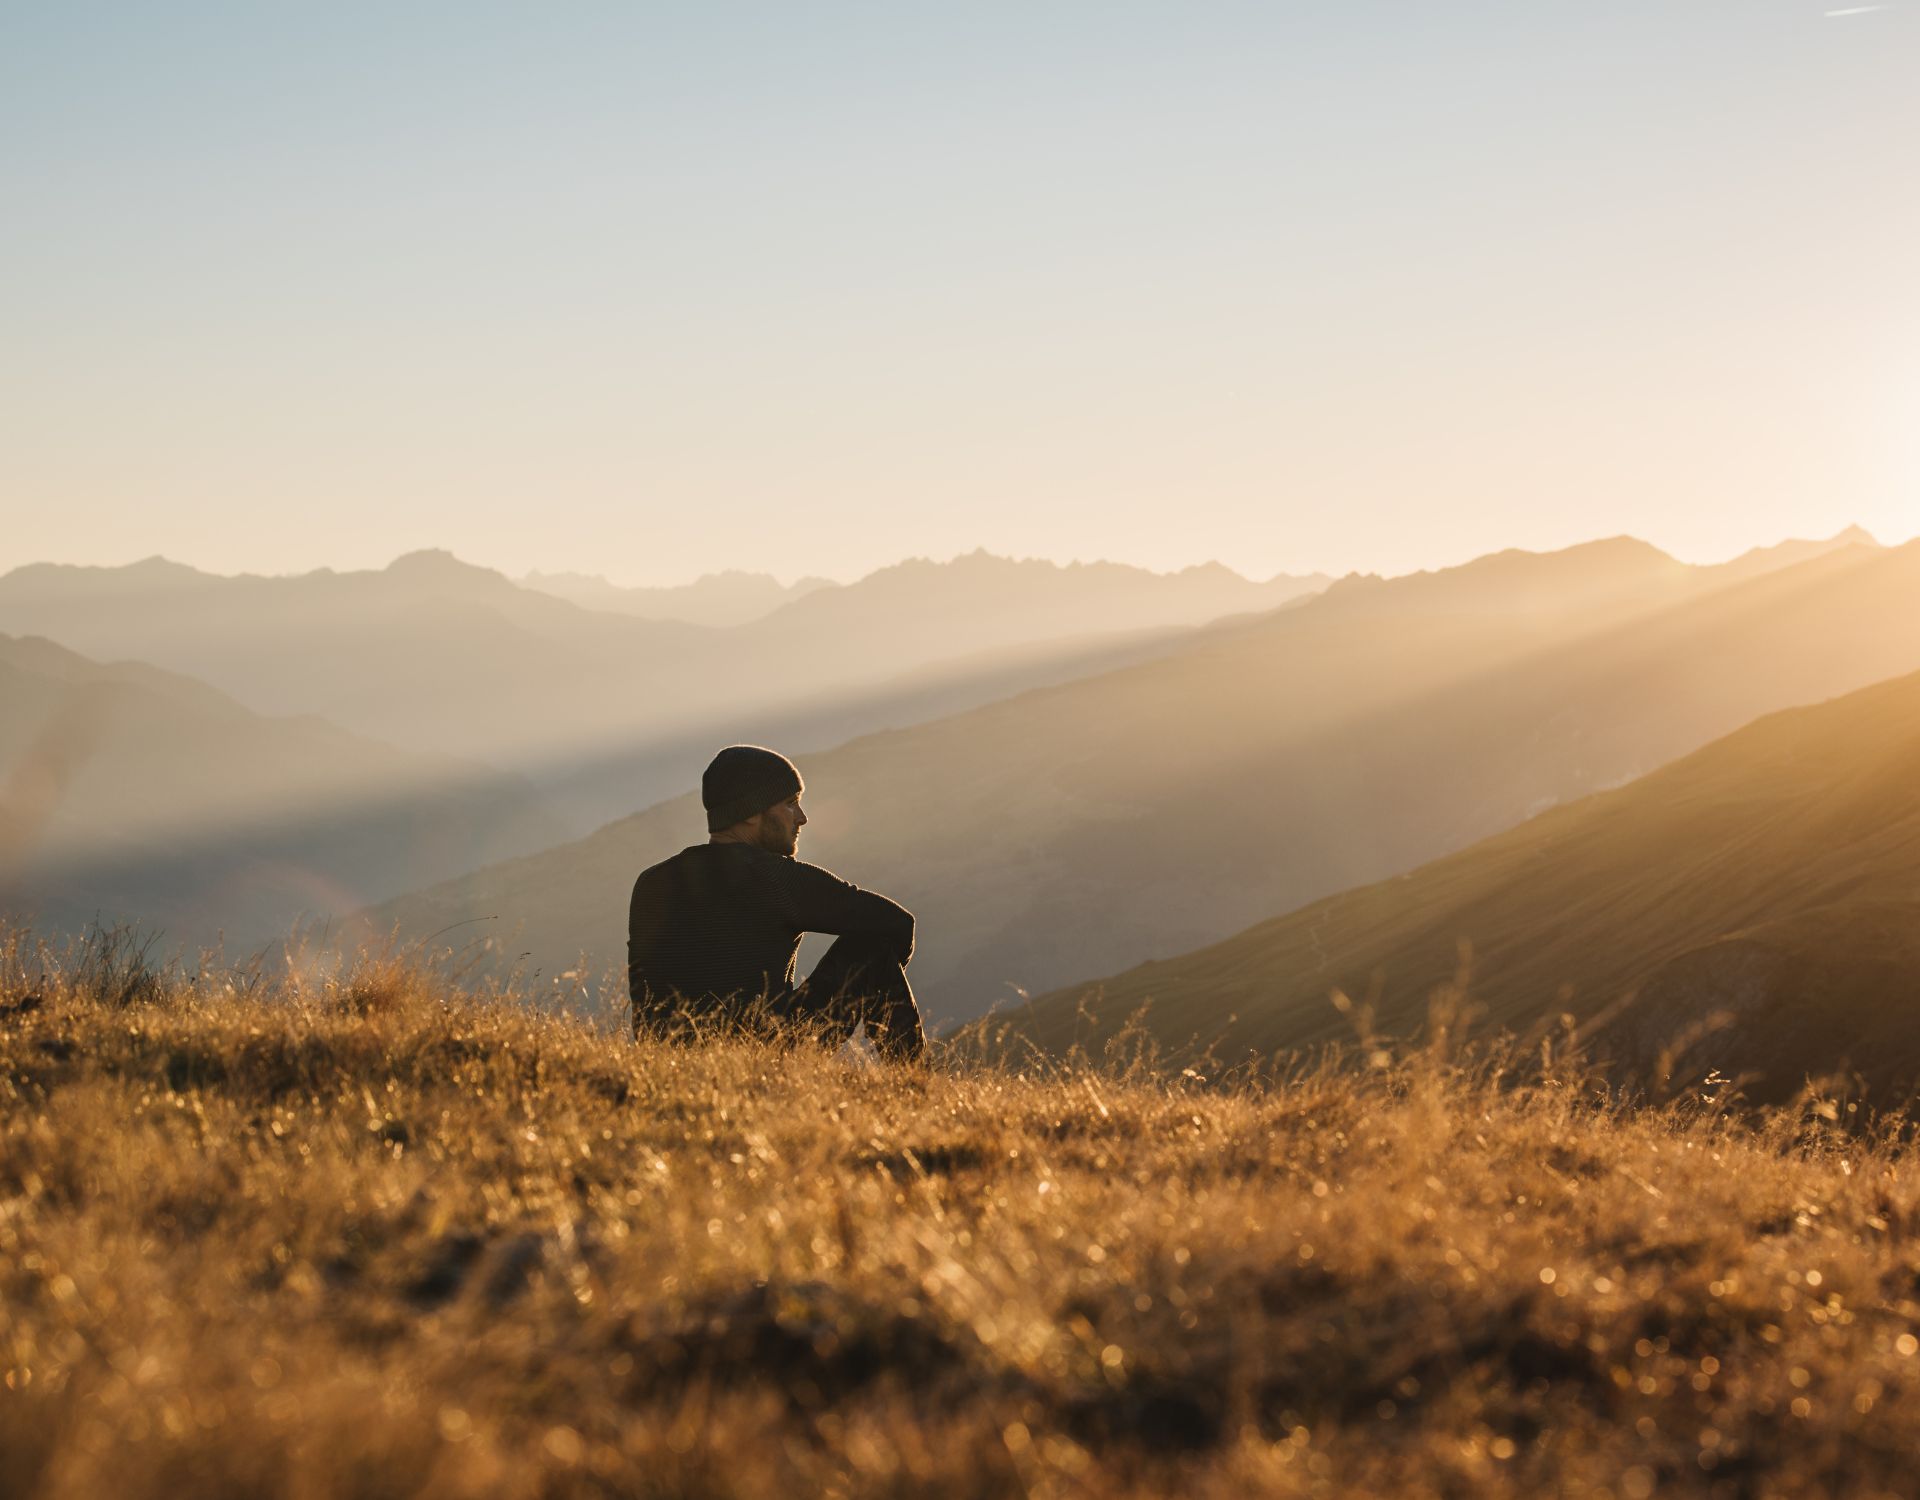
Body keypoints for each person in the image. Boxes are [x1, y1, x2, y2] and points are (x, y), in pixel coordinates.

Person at [627, 745, 926, 1060]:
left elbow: (644, 1005)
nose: (802, 818)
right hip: (766, 1060)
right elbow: (897, 923)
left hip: (668, 1067)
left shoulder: (650, 883)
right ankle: (915, 1087)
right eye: (790, 804)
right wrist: (884, 975)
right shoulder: (774, 877)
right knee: (872, 950)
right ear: (751, 813)